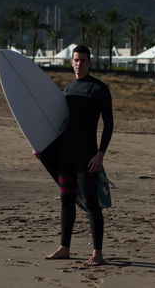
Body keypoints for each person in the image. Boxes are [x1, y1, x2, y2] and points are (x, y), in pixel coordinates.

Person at [33, 45, 113, 266]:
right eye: (76, 60)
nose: (79, 64)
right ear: (71, 62)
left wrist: (100, 154)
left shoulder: (99, 89)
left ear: (90, 62)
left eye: (83, 60)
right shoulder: (67, 89)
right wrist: (42, 146)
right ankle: (64, 248)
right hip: (65, 154)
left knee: (90, 202)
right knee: (66, 200)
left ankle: (97, 253)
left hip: (86, 155)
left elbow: (109, 124)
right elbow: (59, 125)